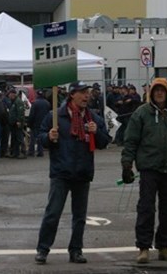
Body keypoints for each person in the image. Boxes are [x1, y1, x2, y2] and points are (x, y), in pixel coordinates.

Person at [120, 78, 167, 264]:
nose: (159, 93)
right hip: (149, 168)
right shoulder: (142, 113)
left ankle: (165, 246)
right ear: (152, 93)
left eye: (163, 90)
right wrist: (126, 164)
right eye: (156, 90)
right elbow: (130, 140)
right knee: (146, 208)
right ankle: (144, 247)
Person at [34, 81, 109, 265]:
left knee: (79, 217)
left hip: (83, 172)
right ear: (72, 95)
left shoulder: (93, 118)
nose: (86, 96)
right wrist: (49, 137)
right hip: (61, 172)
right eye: (82, 93)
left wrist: (96, 131)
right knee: (53, 213)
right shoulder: (56, 116)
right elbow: (41, 137)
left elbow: (104, 141)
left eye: (87, 93)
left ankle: (76, 250)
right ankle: (43, 249)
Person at [27, 90, 51, 157]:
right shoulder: (47, 103)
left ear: (37, 95)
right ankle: (40, 152)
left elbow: (32, 114)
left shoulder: (35, 103)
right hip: (44, 123)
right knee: (40, 138)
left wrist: (29, 123)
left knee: (33, 138)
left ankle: (31, 152)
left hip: (35, 123)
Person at [7, 88, 26, 158]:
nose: (9, 96)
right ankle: (15, 152)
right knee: (14, 138)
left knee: (19, 138)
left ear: (13, 94)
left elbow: (20, 112)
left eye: (10, 94)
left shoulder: (18, 102)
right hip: (13, 123)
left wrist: (19, 121)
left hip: (17, 123)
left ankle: (23, 152)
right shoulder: (13, 102)